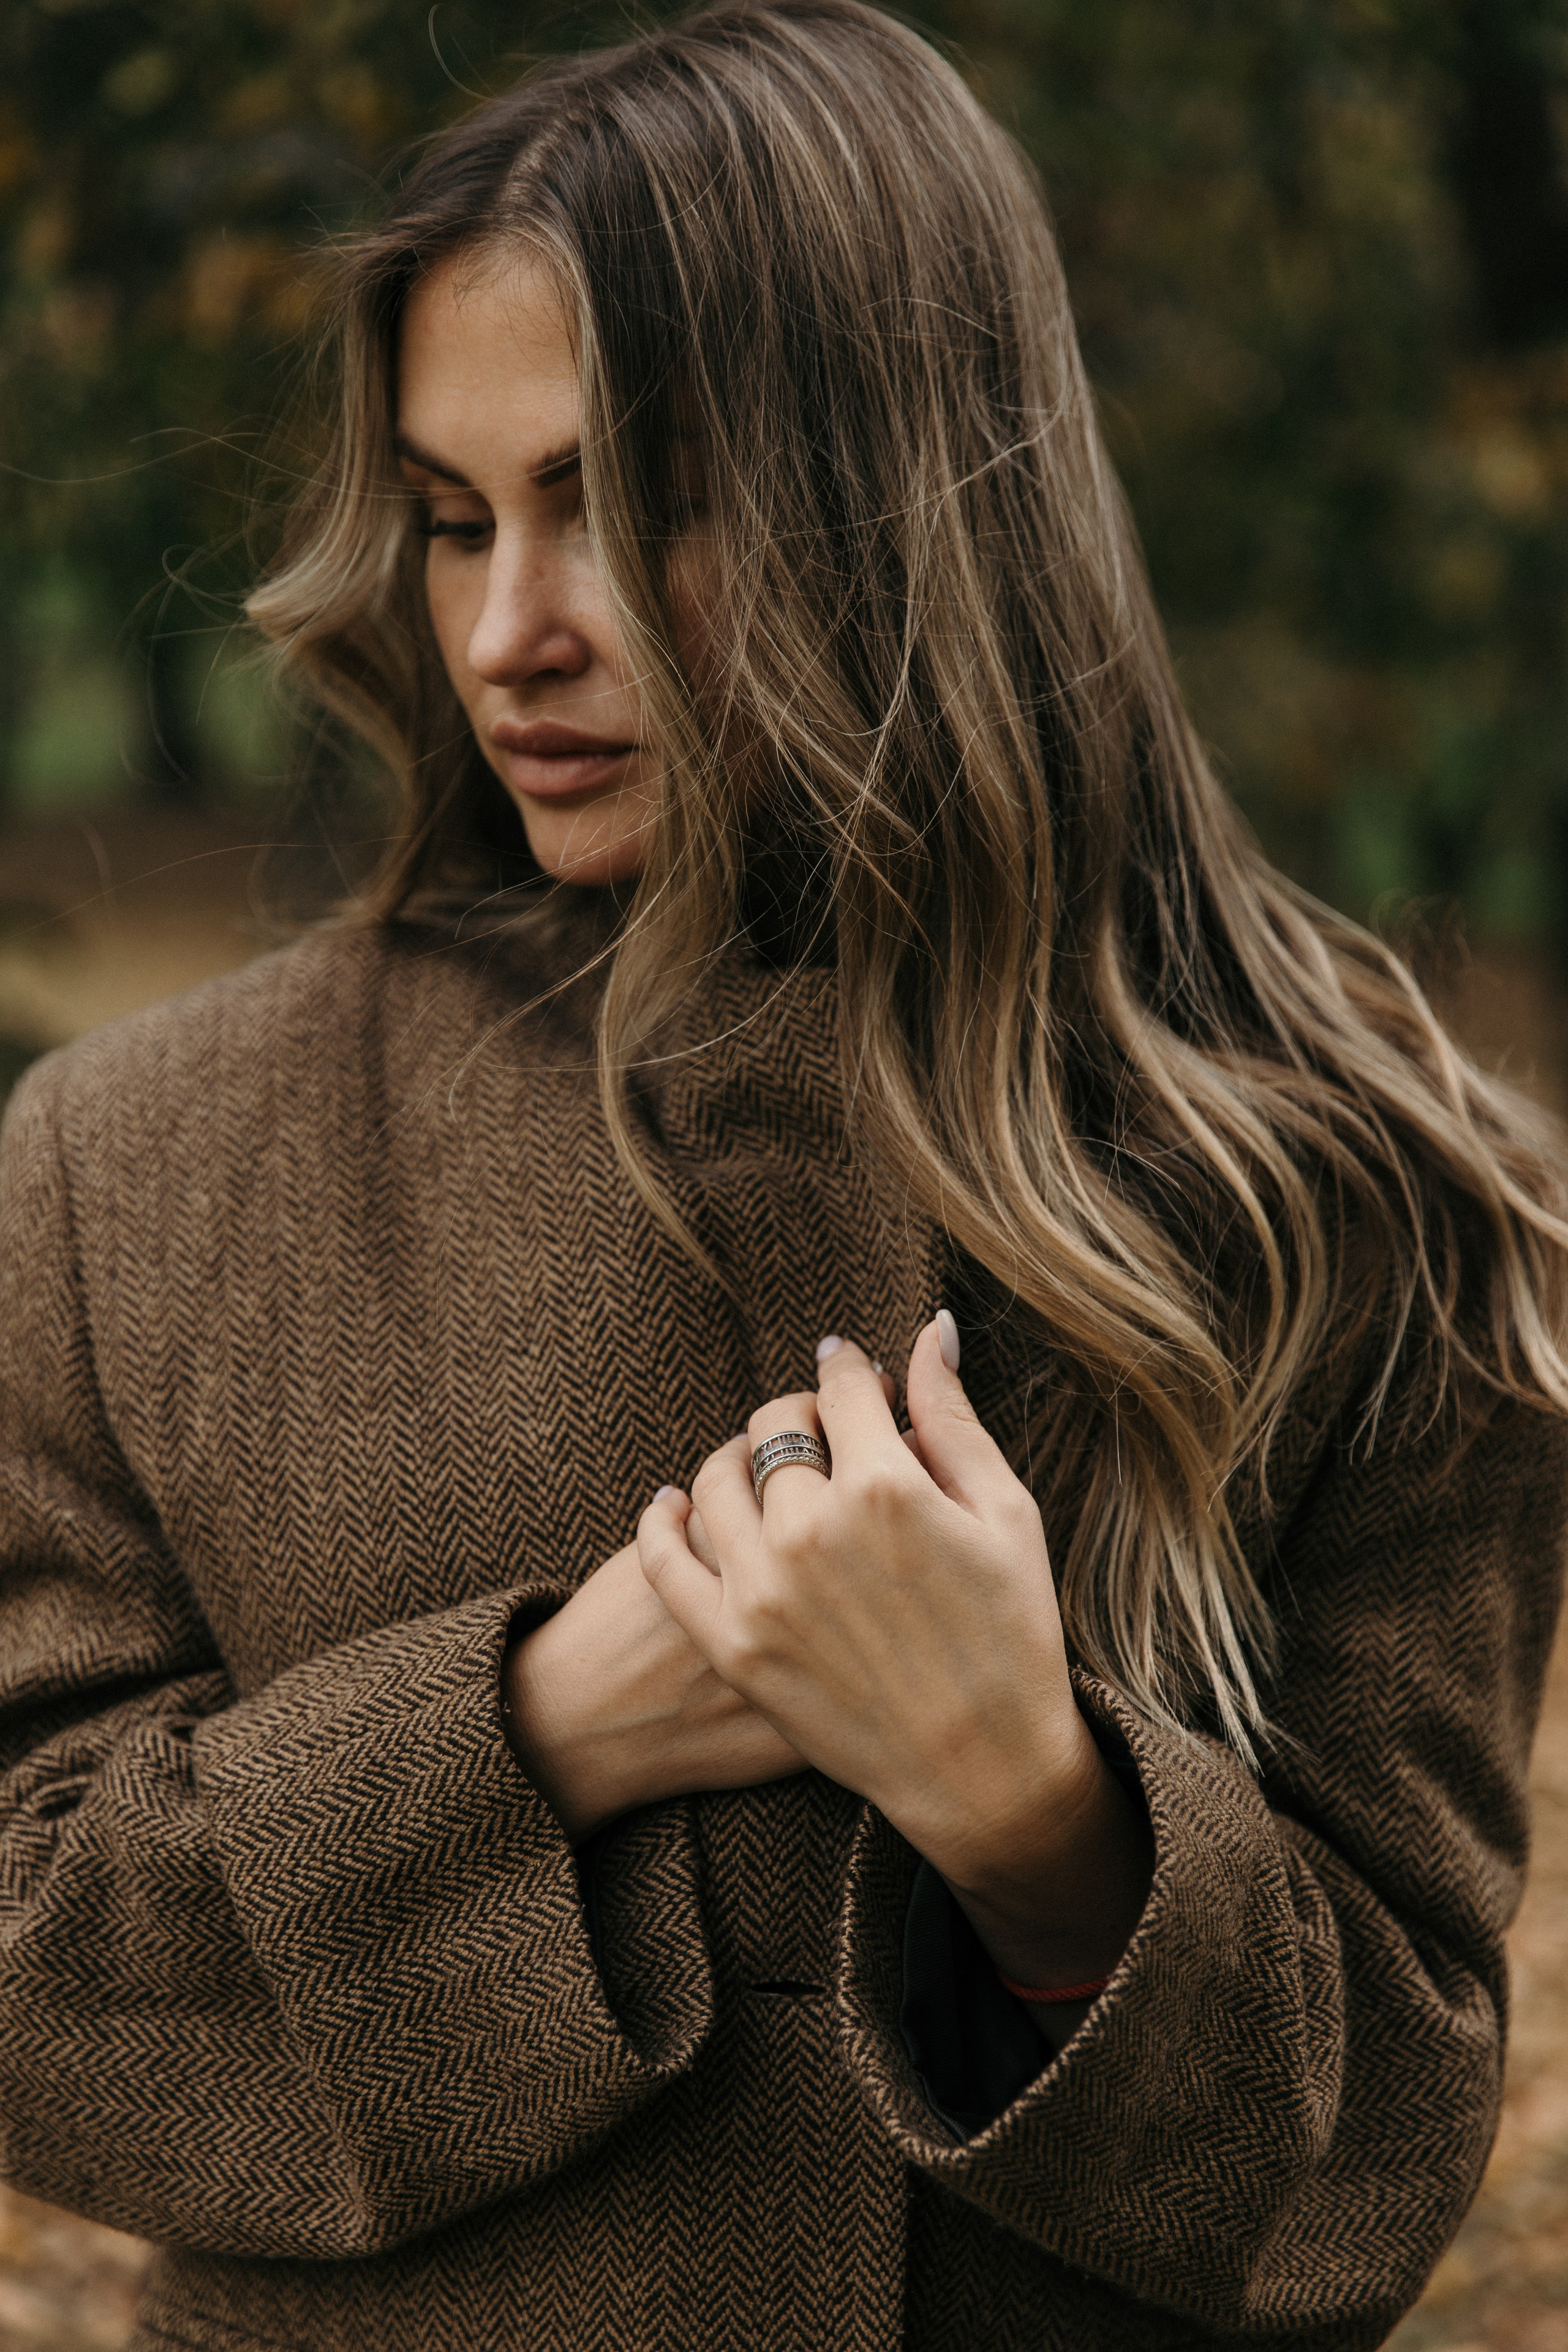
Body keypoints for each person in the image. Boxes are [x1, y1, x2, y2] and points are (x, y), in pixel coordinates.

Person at [2, 3, 1566, 2345]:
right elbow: (34, 2002)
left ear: (919, 495)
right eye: (453, 521)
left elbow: (1361, 2176)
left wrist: (1037, 1812)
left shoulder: (1357, 1201)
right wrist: (557, 1722)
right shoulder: (138, 1173)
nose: (512, 629)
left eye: (633, 505)